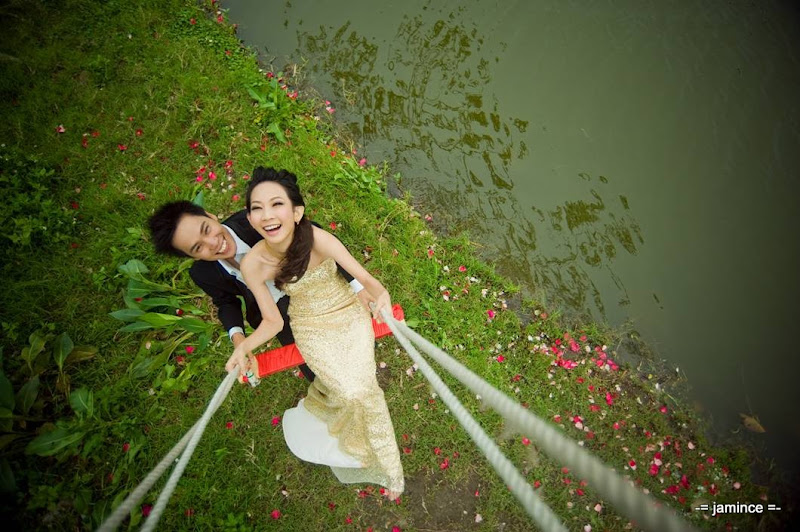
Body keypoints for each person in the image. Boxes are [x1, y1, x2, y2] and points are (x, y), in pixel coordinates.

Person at [227, 167, 404, 498]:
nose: (267, 215)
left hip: (346, 312)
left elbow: (367, 279)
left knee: (362, 389)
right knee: (352, 392)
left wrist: (380, 295)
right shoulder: (252, 264)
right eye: (257, 208)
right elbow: (273, 322)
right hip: (308, 324)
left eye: (277, 204)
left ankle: (390, 471)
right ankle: (378, 462)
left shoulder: (318, 239)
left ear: (297, 212)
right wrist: (243, 347)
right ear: (250, 218)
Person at [148, 200, 370, 381]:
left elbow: (321, 241)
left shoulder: (261, 221)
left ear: (210, 215)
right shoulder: (203, 273)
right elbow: (225, 302)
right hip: (276, 313)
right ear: (191, 256)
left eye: (206, 229)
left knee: (348, 342)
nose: (212, 243)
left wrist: (359, 286)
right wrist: (239, 340)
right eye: (198, 247)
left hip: (313, 286)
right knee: (314, 368)